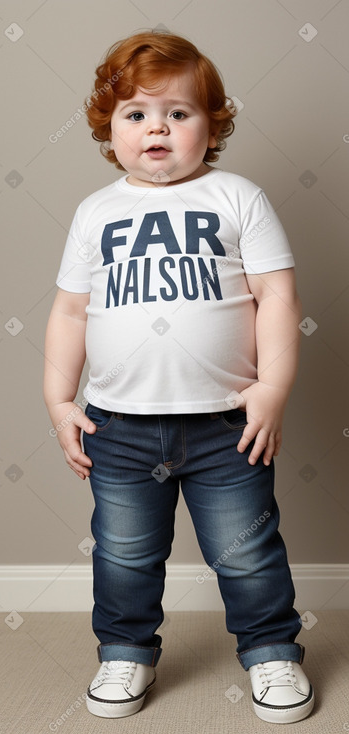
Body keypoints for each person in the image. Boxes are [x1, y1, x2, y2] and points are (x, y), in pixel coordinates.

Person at [43, 30, 314, 725]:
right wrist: (57, 398)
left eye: (178, 112)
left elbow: (277, 297)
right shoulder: (95, 213)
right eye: (135, 113)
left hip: (226, 422)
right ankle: (126, 649)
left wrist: (272, 388)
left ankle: (270, 649)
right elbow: (71, 312)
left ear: (212, 123)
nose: (156, 126)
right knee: (125, 553)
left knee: (247, 549)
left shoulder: (236, 197)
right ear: (110, 128)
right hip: (119, 426)